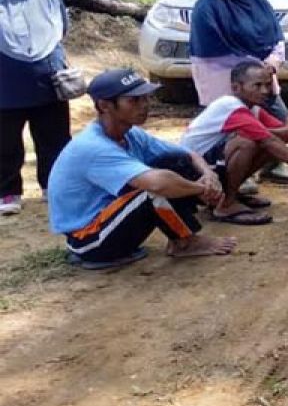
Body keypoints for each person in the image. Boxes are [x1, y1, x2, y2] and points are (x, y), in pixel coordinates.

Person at [46, 68, 236, 269]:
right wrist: (201, 188)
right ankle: (185, 242)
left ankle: (182, 235)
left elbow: (188, 153)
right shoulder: (94, 146)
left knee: (176, 162)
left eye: (145, 98)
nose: (144, 105)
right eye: (134, 100)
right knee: (151, 191)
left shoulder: (131, 133)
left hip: (110, 220)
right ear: (104, 106)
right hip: (89, 240)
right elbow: (157, 184)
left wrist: (208, 174)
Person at [189, 0, 288, 185]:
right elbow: (213, 49)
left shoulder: (255, 0)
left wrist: (273, 61)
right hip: (224, 79)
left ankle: (273, 166)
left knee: (277, 114)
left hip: (262, 75)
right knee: (231, 130)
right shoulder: (207, 8)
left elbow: (275, 34)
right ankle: (230, 174)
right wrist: (255, 66)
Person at [179, 60, 288, 224]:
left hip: (208, 166)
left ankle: (230, 194)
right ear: (236, 88)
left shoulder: (252, 108)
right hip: (193, 171)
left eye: (267, 85)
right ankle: (226, 204)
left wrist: (260, 132)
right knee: (247, 143)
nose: (265, 91)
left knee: (259, 141)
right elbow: (272, 141)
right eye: (257, 85)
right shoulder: (231, 106)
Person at [0, 0, 72, 216]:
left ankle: (53, 185)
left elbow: (61, 29)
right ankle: (8, 191)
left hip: (47, 77)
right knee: (5, 141)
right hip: (6, 81)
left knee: (54, 137)